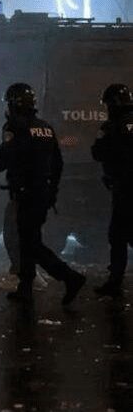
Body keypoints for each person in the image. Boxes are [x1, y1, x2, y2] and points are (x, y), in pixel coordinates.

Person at [0, 83, 86, 305]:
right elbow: (58, 163)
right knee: (28, 242)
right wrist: (52, 191)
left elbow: (4, 158)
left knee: (31, 244)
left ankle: (70, 277)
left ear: (13, 104)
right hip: (41, 193)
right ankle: (26, 288)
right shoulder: (45, 128)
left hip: (25, 194)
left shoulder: (15, 127)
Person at [91, 83, 133, 297]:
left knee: (118, 235)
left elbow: (98, 153)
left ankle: (115, 280)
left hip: (124, 188)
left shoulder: (111, 126)